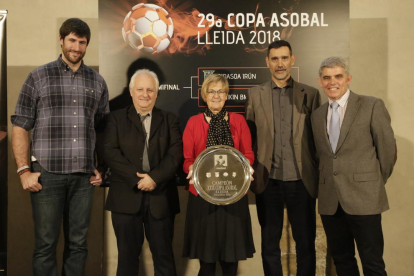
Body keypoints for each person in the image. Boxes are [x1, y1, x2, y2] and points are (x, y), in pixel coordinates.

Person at [11, 18, 109, 276]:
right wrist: (23, 170)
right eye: (73, 41)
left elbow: (102, 129)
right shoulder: (38, 76)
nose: (77, 47)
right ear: (61, 40)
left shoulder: (97, 81)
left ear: (87, 45)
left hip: (83, 179)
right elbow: (20, 125)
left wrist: (101, 167)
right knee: (45, 245)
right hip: (47, 175)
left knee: (78, 245)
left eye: (83, 42)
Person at [312, 57, 396, 276]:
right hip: (331, 200)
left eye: (338, 76)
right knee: (342, 261)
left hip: (364, 198)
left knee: (373, 263)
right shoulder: (317, 115)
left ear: (348, 79)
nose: (333, 82)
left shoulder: (371, 105)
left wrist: (372, 181)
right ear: (320, 81)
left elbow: (387, 151)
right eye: (327, 77)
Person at [245, 40, 320, 276]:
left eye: (284, 58)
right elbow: (249, 139)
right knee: (269, 245)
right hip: (269, 180)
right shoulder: (255, 94)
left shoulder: (311, 94)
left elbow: (318, 140)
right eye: (275, 59)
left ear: (292, 59)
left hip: (302, 180)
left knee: (306, 244)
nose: (280, 64)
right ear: (267, 62)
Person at [104, 69, 182, 276]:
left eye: (150, 90)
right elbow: (110, 152)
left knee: (164, 257)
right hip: (125, 198)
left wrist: (154, 178)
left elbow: (175, 154)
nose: (145, 94)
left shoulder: (170, 119)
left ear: (157, 93)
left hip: (161, 197)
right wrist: (137, 179)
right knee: (127, 258)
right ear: (131, 91)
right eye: (140, 89)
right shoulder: (115, 119)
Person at [183, 74, 255, 276]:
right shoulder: (193, 122)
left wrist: (247, 166)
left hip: (233, 195)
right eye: (212, 91)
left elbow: (247, 154)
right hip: (202, 197)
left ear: (226, 96)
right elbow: (188, 159)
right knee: (206, 263)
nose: (216, 96)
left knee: (231, 263)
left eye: (221, 91)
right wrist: (190, 169)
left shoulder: (239, 121)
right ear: (204, 95)